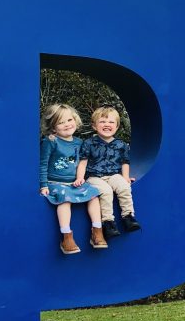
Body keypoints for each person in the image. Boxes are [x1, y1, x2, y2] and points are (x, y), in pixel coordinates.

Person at [39, 104, 107, 254]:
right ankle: (66, 236)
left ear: (75, 120)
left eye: (69, 119)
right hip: (55, 183)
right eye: (61, 122)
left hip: (74, 182)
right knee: (65, 199)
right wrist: (43, 185)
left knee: (94, 194)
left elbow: (84, 164)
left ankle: (97, 230)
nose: (67, 124)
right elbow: (43, 164)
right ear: (53, 127)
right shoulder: (51, 141)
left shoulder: (79, 142)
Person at [77, 106, 140, 239]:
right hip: (94, 177)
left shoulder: (121, 145)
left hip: (113, 175)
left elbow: (124, 162)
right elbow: (83, 162)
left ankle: (128, 217)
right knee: (106, 191)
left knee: (124, 186)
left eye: (111, 122)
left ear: (117, 126)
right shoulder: (89, 143)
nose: (107, 125)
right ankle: (108, 222)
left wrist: (126, 177)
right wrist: (79, 178)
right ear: (94, 126)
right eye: (102, 122)